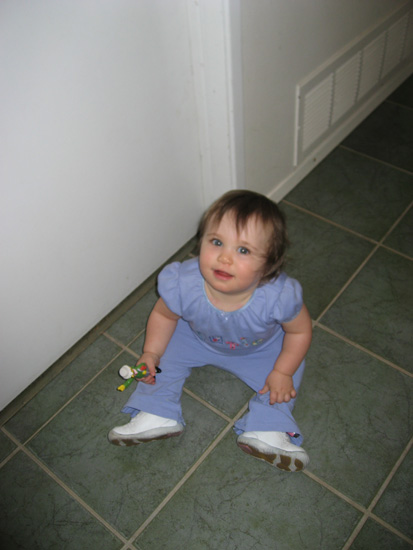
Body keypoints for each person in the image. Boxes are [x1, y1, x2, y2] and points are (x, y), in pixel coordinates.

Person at [108, 190, 312, 472]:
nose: (224, 258)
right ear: (201, 240)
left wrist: (283, 371)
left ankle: (267, 428)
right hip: (195, 337)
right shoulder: (183, 282)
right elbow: (164, 315)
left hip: (259, 350)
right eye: (217, 242)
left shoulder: (278, 296)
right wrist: (151, 352)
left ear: (269, 265)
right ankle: (157, 411)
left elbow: (299, 333)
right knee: (162, 361)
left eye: (243, 250)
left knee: (287, 375)